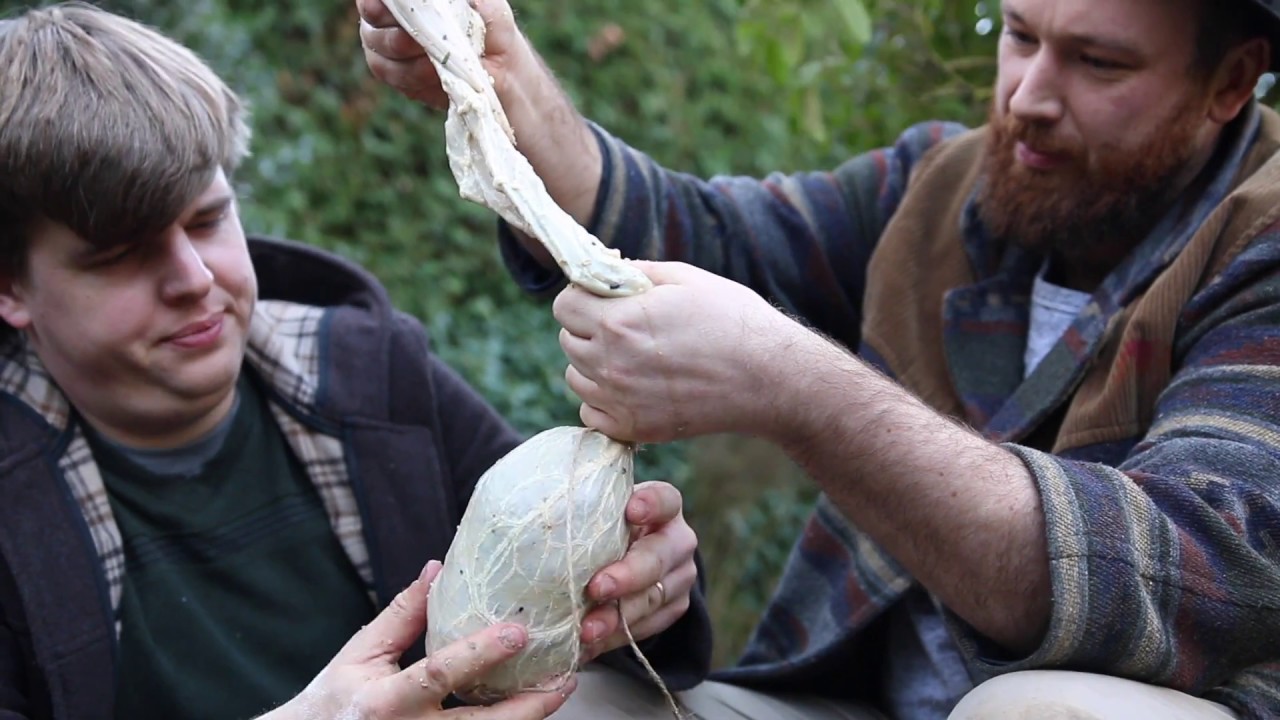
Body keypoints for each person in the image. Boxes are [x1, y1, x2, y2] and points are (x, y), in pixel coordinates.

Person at [358, 0, 1280, 717]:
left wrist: (792, 386)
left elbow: (1181, 575)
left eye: (1098, 62)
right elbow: (705, 238)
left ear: (1231, 81)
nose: (1029, 96)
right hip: (844, 702)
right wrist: (506, 90)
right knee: (550, 712)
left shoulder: (1262, 242)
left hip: (1106, 703)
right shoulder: (946, 189)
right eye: (1021, 36)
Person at [0, 3, 713, 719]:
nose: (193, 278)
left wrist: (647, 584)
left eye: (207, 221)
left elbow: (599, 630)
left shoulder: (372, 378)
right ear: (11, 287)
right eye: (122, 256)